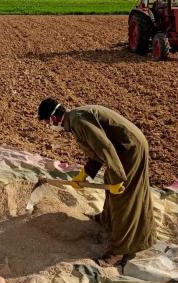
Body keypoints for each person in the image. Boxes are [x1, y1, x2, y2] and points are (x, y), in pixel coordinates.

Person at [37, 98, 155, 266]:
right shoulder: (74, 119)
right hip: (121, 148)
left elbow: (105, 147)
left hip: (130, 148)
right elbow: (98, 150)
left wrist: (118, 177)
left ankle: (119, 252)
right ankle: (107, 218)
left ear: (53, 118)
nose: (49, 125)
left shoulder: (78, 120)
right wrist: (85, 174)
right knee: (110, 182)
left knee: (123, 197)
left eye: (46, 122)